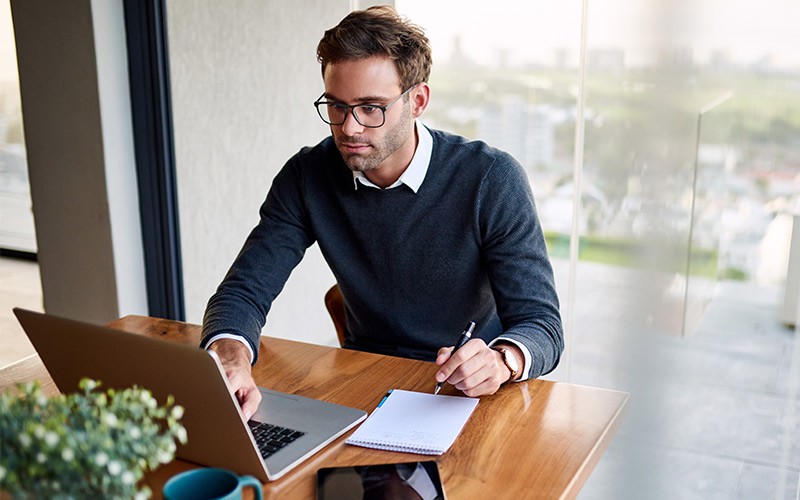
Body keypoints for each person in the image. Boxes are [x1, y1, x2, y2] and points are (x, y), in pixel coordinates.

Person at [200, 5, 563, 420]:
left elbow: (542, 325)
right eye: (336, 106)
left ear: (418, 100)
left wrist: (501, 361)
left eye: (371, 107)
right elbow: (244, 290)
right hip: (365, 382)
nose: (349, 128)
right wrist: (229, 359)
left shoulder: (491, 179)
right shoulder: (307, 176)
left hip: (471, 394)